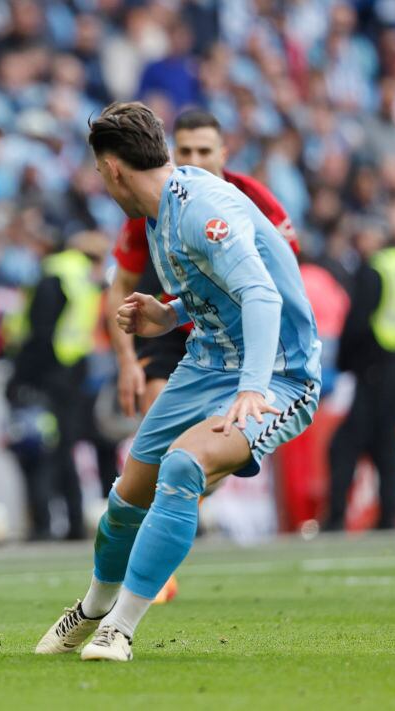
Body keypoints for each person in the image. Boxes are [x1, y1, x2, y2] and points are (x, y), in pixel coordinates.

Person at [35, 102, 321, 662]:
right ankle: (92, 609)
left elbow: (261, 295)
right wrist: (167, 315)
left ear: (113, 168)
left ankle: (120, 628)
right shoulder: (159, 211)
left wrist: (253, 389)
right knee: (125, 499)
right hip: (205, 362)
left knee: (185, 466)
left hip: (278, 375)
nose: (101, 184)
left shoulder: (200, 209)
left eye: (99, 173)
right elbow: (212, 293)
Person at [107, 108, 300, 601]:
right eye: (186, 151)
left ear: (223, 155)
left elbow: (271, 280)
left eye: (203, 151)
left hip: (234, 320)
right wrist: (128, 358)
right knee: (151, 450)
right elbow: (121, 284)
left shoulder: (246, 199)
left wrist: (258, 375)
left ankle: (163, 535)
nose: (194, 159)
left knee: (185, 464)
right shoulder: (147, 203)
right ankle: (153, 542)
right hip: (180, 315)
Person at [324, 223, 395, 531]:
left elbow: (358, 320)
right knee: (386, 444)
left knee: (345, 444)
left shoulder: (377, 268)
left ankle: (337, 516)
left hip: (374, 365)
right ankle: (389, 515)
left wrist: (344, 361)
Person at [6, 230, 109, 540]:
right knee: (64, 450)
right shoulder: (82, 278)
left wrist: (19, 377)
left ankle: (43, 524)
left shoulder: (54, 274)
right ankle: (74, 522)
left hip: (46, 376)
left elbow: (39, 330)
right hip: (73, 373)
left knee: (40, 450)